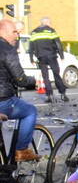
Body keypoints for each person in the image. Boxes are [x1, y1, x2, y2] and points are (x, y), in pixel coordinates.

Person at [0, 19, 39, 162]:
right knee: (30, 111)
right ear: (3, 31)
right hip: (3, 101)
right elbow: (20, 79)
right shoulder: (7, 49)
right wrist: (33, 81)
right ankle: (21, 151)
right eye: (14, 32)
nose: (17, 36)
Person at [28, 17, 69, 103]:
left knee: (45, 76)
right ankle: (63, 94)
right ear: (47, 23)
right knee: (56, 74)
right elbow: (58, 44)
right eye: (50, 23)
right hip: (52, 56)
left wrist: (31, 58)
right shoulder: (51, 31)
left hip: (41, 57)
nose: (50, 24)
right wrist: (61, 56)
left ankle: (49, 95)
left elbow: (31, 47)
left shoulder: (34, 32)